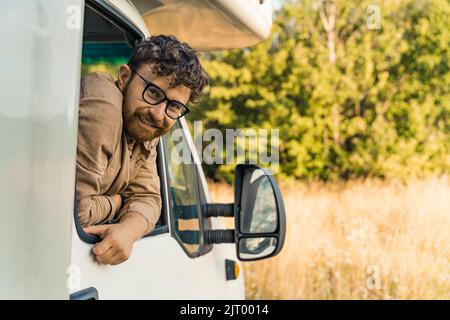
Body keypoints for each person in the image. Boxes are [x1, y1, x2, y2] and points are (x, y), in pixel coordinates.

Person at [76, 35, 208, 265]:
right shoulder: (105, 107)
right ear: (125, 77)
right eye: (154, 93)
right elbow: (77, 214)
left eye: (174, 106)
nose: (158, 114)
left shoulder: (143, 130)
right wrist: (118, 202)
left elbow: (148, 197)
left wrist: (128, 230)